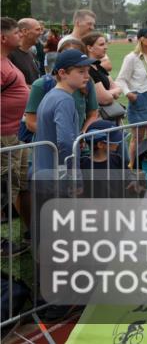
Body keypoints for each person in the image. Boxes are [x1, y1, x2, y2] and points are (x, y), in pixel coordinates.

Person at [33, 49, 97, 175]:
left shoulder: (52, 95)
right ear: (62, 73)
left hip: (44, 168)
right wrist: (72, 175)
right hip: (57, 174)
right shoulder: (64, 100)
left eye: (87, 71)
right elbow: (66, 142)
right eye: (80, 71)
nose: (87, 76)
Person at [24, 38, 100, 139]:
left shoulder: (86, 82)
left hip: (76, 144)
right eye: (65, 54)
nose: (70, 57)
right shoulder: (41, 85)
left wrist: (81, 135)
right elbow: (30, 122)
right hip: (49, 147)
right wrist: (62, 137)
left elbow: (93, 114)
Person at [1, 18, 31, 255]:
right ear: (4, 38)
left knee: (16, 186)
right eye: (16, 33)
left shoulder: (7, 62)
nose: (20, 35)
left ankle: (29, 230)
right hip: (4, 137)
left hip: (14, 134)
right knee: (3, 188)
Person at [115, 28, 147, 167]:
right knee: (137, 137)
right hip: (140, 98)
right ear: (140, 39)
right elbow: (121, 79)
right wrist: (128, 94)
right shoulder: (132, 57)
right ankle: (133, 165)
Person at [81, 31, 123, 106]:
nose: (106, 47)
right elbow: (104, 99)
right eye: (101, 45)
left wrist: (108, 93)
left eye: (105, 44)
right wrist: (111, 92)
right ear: (89, 48)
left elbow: (117, 93)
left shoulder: (99, 67)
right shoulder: (87, 69)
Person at [8, 18, 43, 85]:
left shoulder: (32, 54)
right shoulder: (9, 54)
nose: (41, 33)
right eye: (37, 29)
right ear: (24, 31)